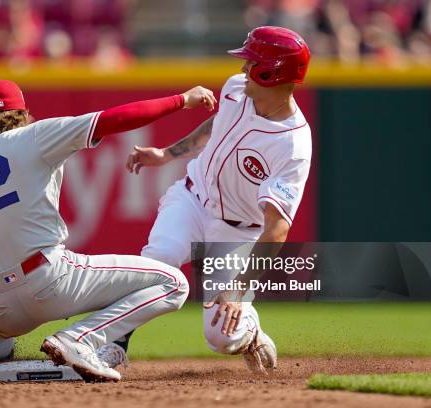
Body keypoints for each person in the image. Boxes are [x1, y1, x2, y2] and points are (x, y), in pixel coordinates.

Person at [0, 80, 216, 382]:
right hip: (48, 282)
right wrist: (182, 100)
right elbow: (114, 119)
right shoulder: (34, 136)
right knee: (174, 283)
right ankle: (80, 339)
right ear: (21, 114)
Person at [105, 26, 312, 375]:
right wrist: (166, 153)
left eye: (252, 63)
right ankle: (113, 344)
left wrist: (238, 288)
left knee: (221, 338)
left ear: (271, 72)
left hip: (237, 234)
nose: (244, 69)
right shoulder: (236, 89)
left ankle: (250, 331)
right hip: (192, 200)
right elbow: (217, 125)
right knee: (158, 261)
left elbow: (276, 230)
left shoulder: (292, 146)